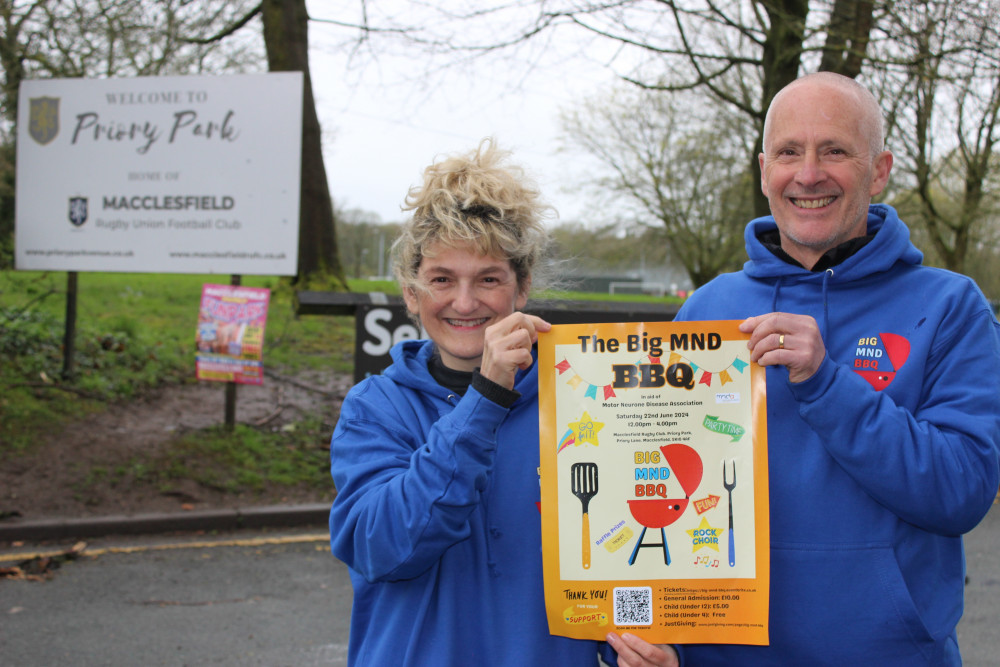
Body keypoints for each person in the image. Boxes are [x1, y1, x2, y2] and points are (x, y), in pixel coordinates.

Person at [672, 72, 1000, 665]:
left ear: (878, 170)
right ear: (764, 169)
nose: (808, 174)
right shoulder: (708, 310)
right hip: (722, 653)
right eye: (789, 152)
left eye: (835, 151)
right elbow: (655, 476)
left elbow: (962, 491)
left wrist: (827, 384)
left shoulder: (950, 306)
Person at [328, 139, 678, 667]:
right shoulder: (374, 407)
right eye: (441, 280)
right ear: (411, 293)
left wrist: (646, 647)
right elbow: (384, 549)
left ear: (522, 288)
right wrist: (486, 398)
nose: (465, 303)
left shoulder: (590, 401)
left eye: (488, 280)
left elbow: (625, 556)